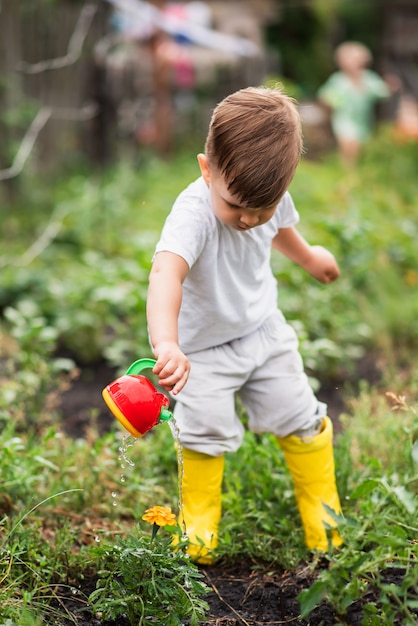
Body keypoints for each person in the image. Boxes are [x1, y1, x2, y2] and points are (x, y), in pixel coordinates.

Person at [146, 86, 342, 564]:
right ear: (206, 169)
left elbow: (283, 230)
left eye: (264, 207)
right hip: (203, 354)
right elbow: (165, 273)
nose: (250, 219)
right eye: (236, 206)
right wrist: (167, 343)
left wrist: (311, 258)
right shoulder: (193, 214)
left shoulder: (265, 200)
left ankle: (326, 520)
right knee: (204, 432)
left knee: (301, 417)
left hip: (263, 334)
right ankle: (199, 527)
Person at [317, 41, 399, 166]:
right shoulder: (339, 79)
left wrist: (390, 87)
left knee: (361, 148)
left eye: (356, 60)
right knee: (348, 144)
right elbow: (326, 95)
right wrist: (329, 100)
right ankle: (348, 171)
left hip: (362, 120)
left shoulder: (369, 78)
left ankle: (356, 173)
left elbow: (381, 91)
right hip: (344, 119)